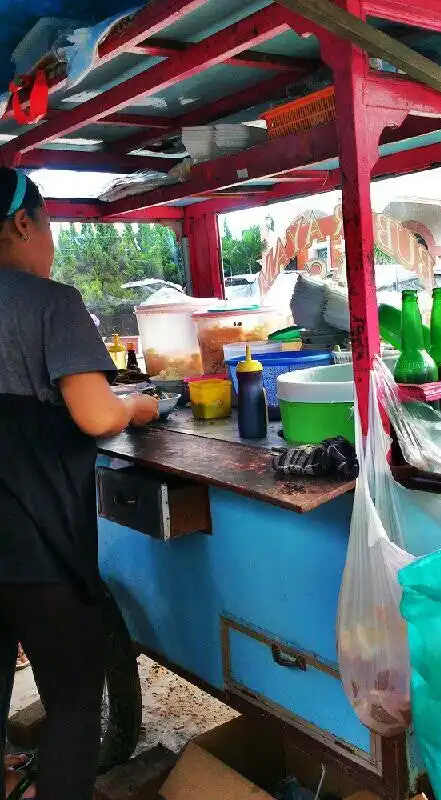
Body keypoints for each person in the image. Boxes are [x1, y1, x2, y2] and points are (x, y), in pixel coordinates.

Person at [0, 167, 159, 800]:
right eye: (49, 227)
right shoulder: (50, 304)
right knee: (70, 701)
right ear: (22, 224)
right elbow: (95, 414)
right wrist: (140, 408)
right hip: (37, 546)